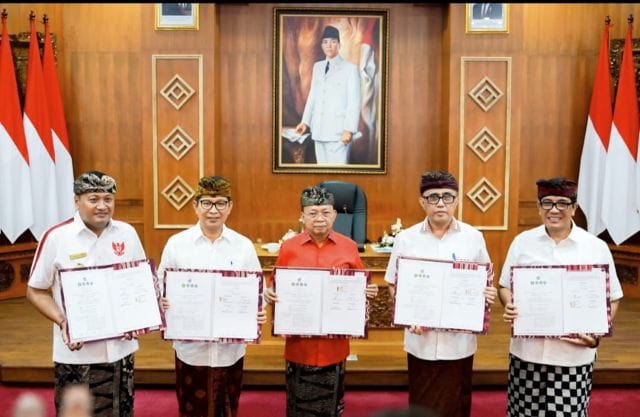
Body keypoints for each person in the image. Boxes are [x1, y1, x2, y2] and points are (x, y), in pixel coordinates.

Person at [498, 177, 624, 417]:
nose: (554, 210)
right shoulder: (522, 242)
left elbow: (614, 297)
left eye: (562, 203)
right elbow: (504, 286)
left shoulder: (595, 247)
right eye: (547, 203)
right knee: (522, 413)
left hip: (573, 355)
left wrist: (596, 332)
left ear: (574, 208)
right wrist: (509, 303)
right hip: (527, 353)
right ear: (539, 207)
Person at [26, 171, 146, 417]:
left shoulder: (127, 233)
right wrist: (63, 321)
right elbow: (35, 290)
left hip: (121, 350)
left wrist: (143, 313)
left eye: (108, 199)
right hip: (77, 353)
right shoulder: (57, 237)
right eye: (93, 199)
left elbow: (138, 282)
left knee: (121, 412)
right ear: (76, 201)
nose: (102, 206)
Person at [384, 170, 497, 417]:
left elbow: (485, 280)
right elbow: (393, 283)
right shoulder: (406, 238)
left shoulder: (473, 237)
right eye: (433, 197)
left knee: (456, 403)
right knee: (422, 404)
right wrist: (407, 315)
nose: (440, 203)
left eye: (447, 197)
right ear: (422, 202)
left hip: (459, 341)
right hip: (420, 340)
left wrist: (487, 294)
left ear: (456, 201)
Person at [264, 185, 378, 417]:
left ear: (335, 215)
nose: (319, 218)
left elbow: (359, 283)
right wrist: (269, 292)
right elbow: (275, 283)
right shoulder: (289, 247)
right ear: (302, 216)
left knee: (331, 404)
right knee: (298, 404)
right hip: (299, 344)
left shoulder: (349, 246)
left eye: (326, 212)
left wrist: (368, 290)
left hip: (334, 344)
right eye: (313, 213)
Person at [158, 175, 267, 417]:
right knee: (191, 408)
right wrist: (162, 300)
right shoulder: (177, 244)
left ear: (230, 206)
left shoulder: (243, 246)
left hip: (230, 350)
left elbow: (259, 291)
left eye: (220, 203)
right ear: (195, 206)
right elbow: (159, 286)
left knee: (227, 407)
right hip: (191, 349)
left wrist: (258, 309)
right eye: (206, 202)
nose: (213, 210)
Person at [295, 25, 361, 164]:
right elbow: (313, 96)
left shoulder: (350, 69)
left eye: (333, 41)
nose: (329, 45)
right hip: (319, 131)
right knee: (322, 172)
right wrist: (305, 121)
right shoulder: (318, 67)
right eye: (325, 42)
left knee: (339, 173)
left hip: (339, 134)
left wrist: (349, 129)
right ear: (321, 45)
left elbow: (354, 102)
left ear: (339, 44)